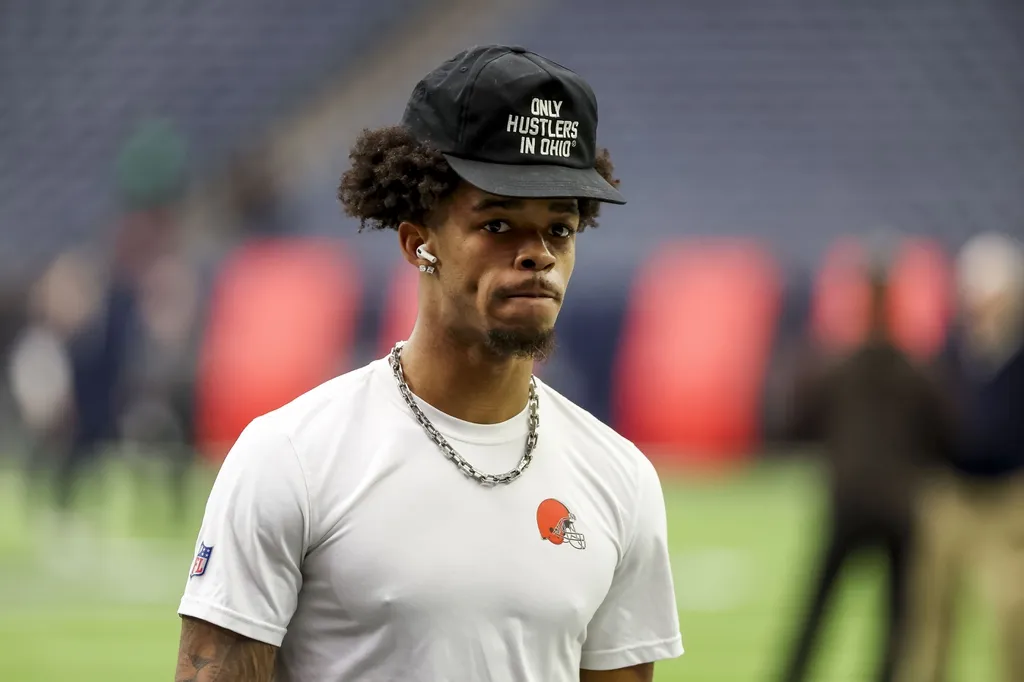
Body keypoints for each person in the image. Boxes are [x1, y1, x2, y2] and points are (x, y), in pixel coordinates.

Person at [174, 45, 683, 682]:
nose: (538, 255)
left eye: (559, 228)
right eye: (498, 224)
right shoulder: (291, 457)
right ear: (419, 242)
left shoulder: (621, 479)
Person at [776, 261, 955, 682]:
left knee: (819, 607)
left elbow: (795, 425)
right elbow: (946, 435)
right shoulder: (917, 370)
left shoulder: (836, 367)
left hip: (849, 500)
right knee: (895, 615)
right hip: (898, 504)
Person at [898, 232, 1024, 682]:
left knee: (1013, 615)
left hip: (1009, 499)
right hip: (951, 492)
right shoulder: (950, 349)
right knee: (930, 616)